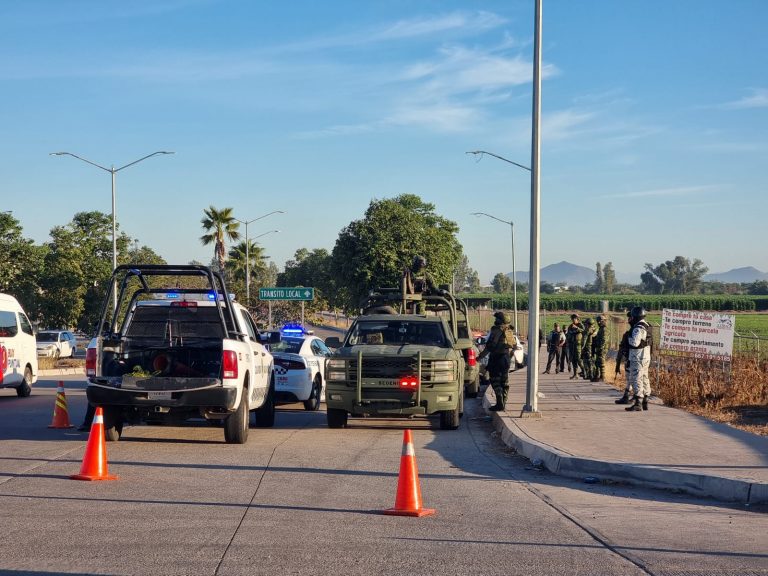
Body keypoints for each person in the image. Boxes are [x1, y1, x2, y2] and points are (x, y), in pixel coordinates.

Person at [477, 311, 515, 411]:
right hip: (505, 359)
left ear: (499, 320)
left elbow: (490, 346)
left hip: (496, 359)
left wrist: (480, 357)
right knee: (504, 382)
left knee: (495, 381)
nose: (495, 320)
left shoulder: (495, 330)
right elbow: (513, 346)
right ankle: (503, 403)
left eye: (496, 319)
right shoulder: (509, 330)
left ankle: (499, 403)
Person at [625, 306, 653, 412]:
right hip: (646, 356)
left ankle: (638, 402)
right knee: (645, 378)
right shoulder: (647, 326)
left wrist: (628, 337)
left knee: (636, 379)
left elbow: (635, 343)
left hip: (638, 357)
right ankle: (645, 399)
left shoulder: (638, 328)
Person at [614, 319, 632, 404]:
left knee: (633, 379)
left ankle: (635, 398)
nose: (629, 320)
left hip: (633, 360)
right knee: (630, 379)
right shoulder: (629, 333)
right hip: (632, 359)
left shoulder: (632, 333)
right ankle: (628, 396)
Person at [591, 315, 609, 382]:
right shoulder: (601, 329)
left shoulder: (604, 329)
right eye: (597, 321)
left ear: (603, 321)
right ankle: (597, 376)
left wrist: (601, 348)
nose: (598, 322)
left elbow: (604, 340)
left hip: (602, 348)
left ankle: (603, 377)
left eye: (600, 321)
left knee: (601, 362)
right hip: (599, 347)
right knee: (597, 362)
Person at [566, 314, 585, 379]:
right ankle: (575, 374)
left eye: (574, 318)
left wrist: (577, 328)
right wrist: (568, 342)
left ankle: (584, 372)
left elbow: (584, 331)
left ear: (577, 319)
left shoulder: (580, 325)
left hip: (578, 345)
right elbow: (568, 334)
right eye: (572, 319)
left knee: (579, 359)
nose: (573, 320)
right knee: (573, 360)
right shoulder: (570, 326)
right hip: (572, 345)